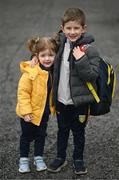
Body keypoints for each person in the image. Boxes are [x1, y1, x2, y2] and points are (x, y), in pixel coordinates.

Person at [31, 7, 100, 175]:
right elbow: (45, 53)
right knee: (62, 130)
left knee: (78, 131)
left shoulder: (89, 50)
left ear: (84, 29)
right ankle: (60, 157)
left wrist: (81, 59)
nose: (72, 31)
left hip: (80, 102)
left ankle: (78, 159)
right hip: (62, 99)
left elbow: (92, 76)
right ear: (62, 28)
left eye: (76, 28)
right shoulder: (59, 44)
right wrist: (34, 57)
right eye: (69, 28)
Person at [16, 36, 58, 173]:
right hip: (29, 113)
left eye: (51, 55)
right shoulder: (31, 72)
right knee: (26, 136)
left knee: (41, 135)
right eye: (43, 55)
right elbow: (23, 93)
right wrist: (26, 112)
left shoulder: (52, 71)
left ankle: (38, 157)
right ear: (36, 56)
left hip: (43, 112)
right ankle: (23, 160)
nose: (47, 58)